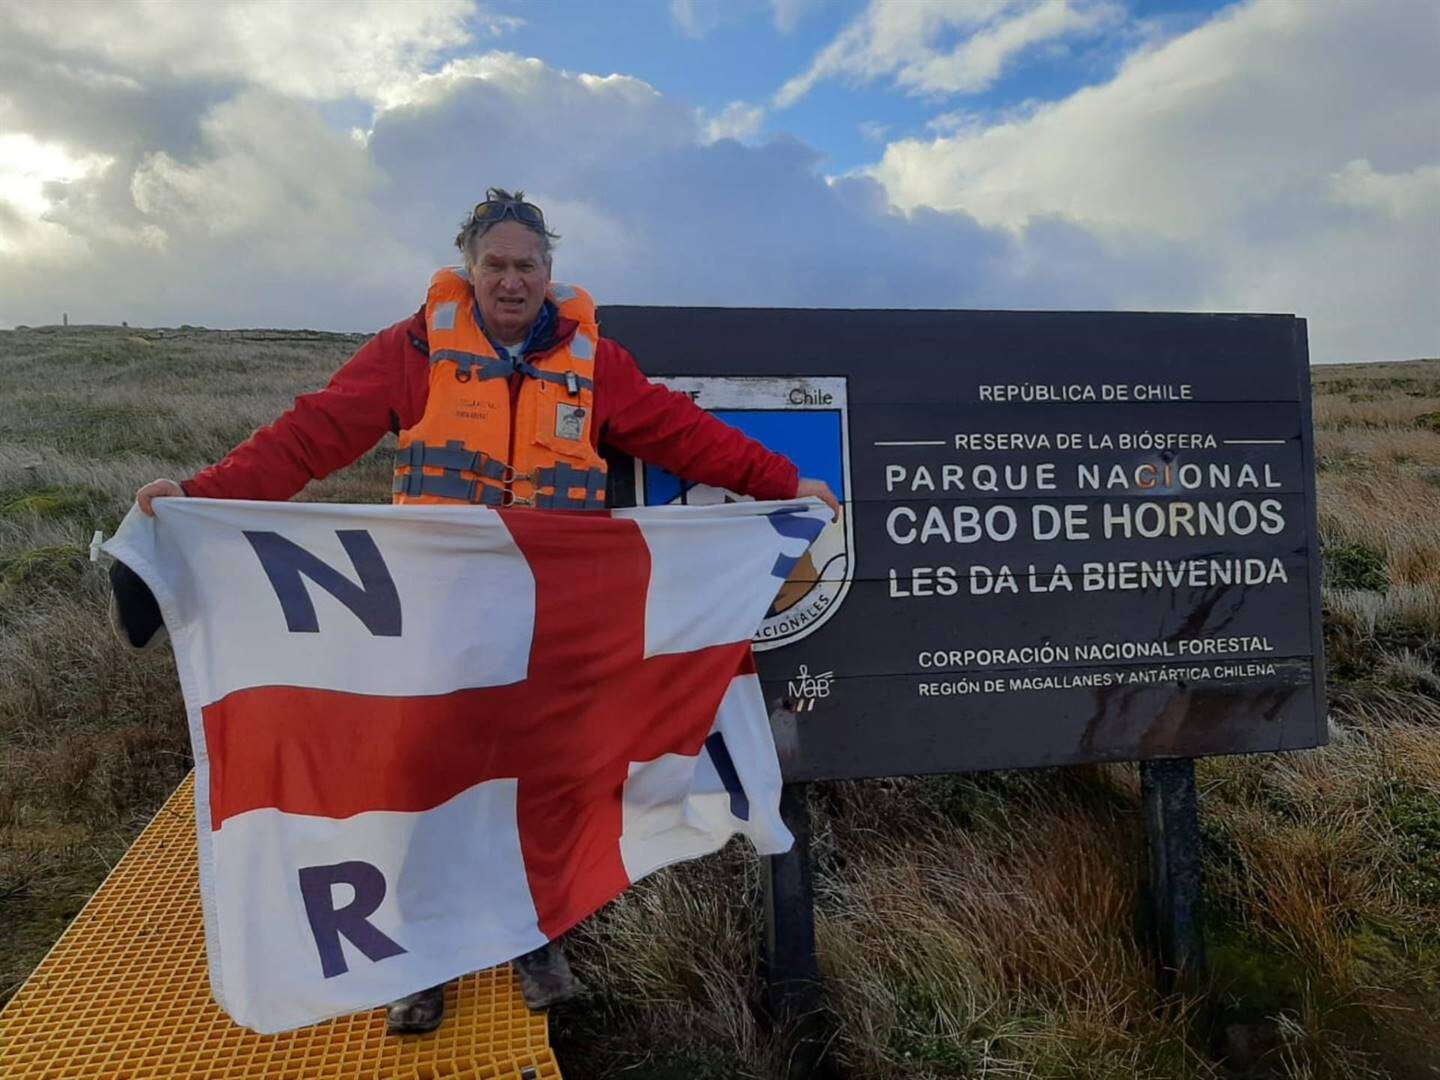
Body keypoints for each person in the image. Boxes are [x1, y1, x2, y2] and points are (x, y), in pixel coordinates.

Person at [131, 188, 839, 1034]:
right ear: (469, 269)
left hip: (550, 622)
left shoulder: (593, 362)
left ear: (550, 272)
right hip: (439, 621)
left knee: (545, 780)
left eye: (527, 266)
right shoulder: (413, 351)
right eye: (495, 265)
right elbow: (311, 435)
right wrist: (200, 497)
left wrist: (784, 485)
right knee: (422, 782)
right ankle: (417, 962)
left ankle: (534, 937)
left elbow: (682, 434)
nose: (512, 281)